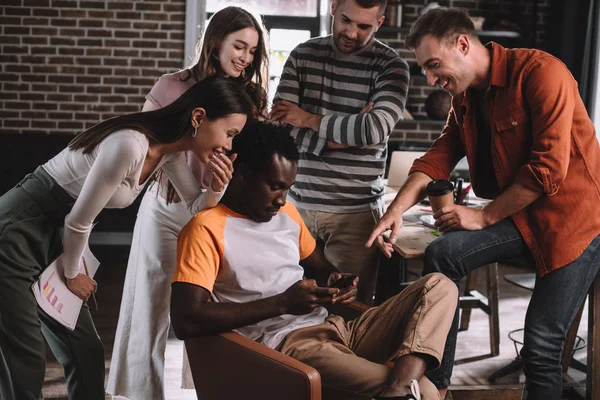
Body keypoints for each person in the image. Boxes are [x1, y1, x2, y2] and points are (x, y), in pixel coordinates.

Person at [366, 7, 600, 400]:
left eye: (434, 64)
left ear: (462, 44)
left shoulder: (543, 73)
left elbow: (547, 171)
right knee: (443, 252)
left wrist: (482, 216)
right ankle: (437, 388)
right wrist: (395, 211)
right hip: (523, 219)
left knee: (540, 348)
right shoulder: (466, 97)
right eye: (424, 68)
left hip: (575, 224)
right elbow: (437, 156)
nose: (430, 78)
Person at [0, 77, 251, 400]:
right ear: (198, 117)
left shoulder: (167, 155)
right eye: (229, 134)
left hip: (57, 234)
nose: (228, 146)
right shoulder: (129, 144)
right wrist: (74, 273)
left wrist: (217, 187)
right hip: (18, 227)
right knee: (26, 359)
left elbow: (193, 210)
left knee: (86, 351)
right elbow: (79, 219)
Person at [169, 122, 458, 400]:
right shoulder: (205, 228)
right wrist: (282, 303)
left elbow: (320, 268)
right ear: (243, 174)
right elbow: (186, 319)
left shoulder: (288, 215)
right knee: (428, 392)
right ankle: (403, 388)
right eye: (275, 186)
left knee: (440, 286)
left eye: (287, 188)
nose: (282, 199)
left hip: (337, 328)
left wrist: (335, 281)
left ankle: (399, 389)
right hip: (289, 346)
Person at [107, 6, 269, 400]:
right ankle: (142, 394)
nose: (245, 57)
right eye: (239, 46)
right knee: (150, 308)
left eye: (252, 50)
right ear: (215, 42)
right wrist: (191, 188)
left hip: (219, 217)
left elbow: (251, 160)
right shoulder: (171, 86)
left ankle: (213, 391)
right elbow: (150, 146)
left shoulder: (250, 96)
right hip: (167, 210)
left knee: (215, 311)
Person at [270, 0, 410, 305]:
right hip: (296, 208)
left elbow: (373, 130)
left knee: (347, 311)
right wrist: (341, 138)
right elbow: (280, 126)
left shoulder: (392, 66)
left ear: (381, 22)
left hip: (356, 215)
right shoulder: (302, 55)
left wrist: (307, 119)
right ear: (333, 6)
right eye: (346, 20)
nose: (351, 32)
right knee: (286, 307)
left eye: (364, 26)